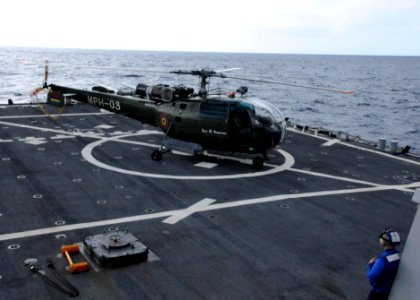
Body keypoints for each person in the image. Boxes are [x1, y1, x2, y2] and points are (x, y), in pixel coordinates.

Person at [367, 228, 401, 300]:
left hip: (378, 294)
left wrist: (370, 265)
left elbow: (371, 277)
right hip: (389, 293)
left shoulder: (382, 260)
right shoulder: (399, 255)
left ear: (384, 242)